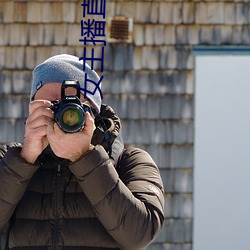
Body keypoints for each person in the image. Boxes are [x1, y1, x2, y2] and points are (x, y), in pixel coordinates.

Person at [0, 54, 164, 250]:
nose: (59, 116)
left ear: (93, 112)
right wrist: (24, 160)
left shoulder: (130, 162)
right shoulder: (9, 160)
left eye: (70, 107)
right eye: (49, 107)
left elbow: (139, 235)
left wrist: (85, 158)